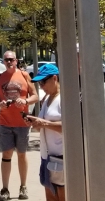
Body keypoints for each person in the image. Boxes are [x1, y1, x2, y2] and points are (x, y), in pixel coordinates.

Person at [0, 50, 38, 201]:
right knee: (6, 154)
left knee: (22, 154)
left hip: (22, 123)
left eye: (11, 59)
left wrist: (25, 101)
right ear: (3, 62)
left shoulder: (24, 76)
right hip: (5, 122)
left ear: (16, 61)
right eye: (6, 60)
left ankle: (23, 187)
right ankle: (5, 189)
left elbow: (35, 96)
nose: (9, 62)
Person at [25, 63, 64, 201]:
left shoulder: (63, 99)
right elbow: (41, 126)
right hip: (46, 157)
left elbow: (69, 127)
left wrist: (44, 123)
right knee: (50, 196)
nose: (41, 86)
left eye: (43, 81)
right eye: (39, 82)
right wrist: (35, 123)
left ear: (54, 78)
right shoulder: (46, 98)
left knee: (62, 195)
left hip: (60, 157)